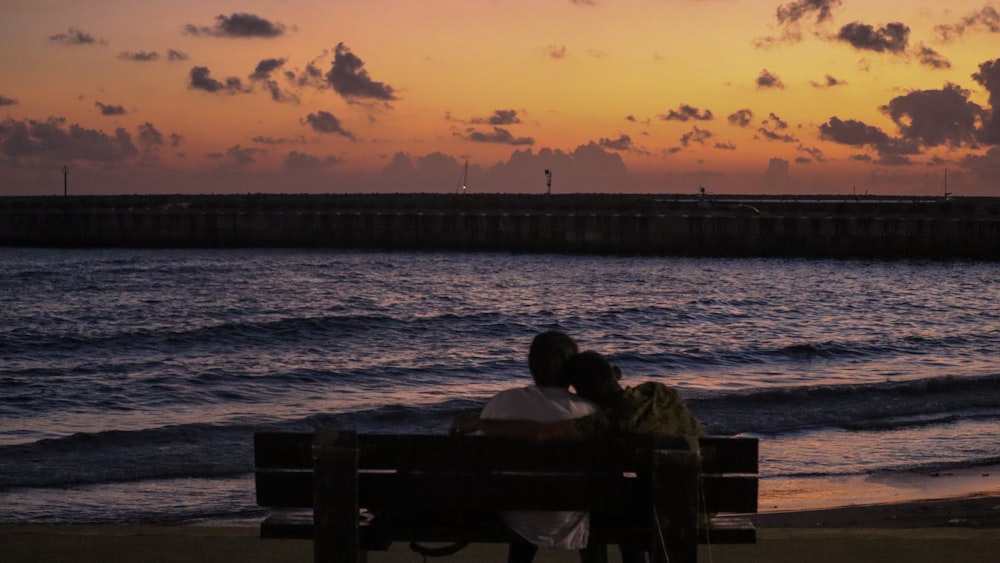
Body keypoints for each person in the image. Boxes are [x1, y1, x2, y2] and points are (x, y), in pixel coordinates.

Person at [451, 350, 705, 563]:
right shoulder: (660, 392)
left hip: (665, 509)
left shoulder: (604, 421)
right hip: (705, 497)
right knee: (628, 502)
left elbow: (541, 433)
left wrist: (478, 424)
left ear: (580, 392)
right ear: (617, 373)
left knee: (627, 512)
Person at [479, 331, 598, 563]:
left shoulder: (501, 403)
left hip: (512, 511)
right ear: (572, 369)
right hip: (570, 512)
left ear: (531, 365)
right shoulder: (590, 411)